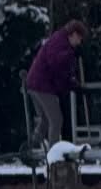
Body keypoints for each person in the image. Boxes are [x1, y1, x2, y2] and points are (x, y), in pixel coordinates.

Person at [25, 19, 86, 148]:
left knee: (45, 120)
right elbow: (58, 66)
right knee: (56, 120)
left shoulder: (60, 40)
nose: (80, 42)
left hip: (34, 83)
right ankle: (54, 155)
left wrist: (71, 83)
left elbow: (61, 69)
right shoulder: (61, 43)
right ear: (74, 34)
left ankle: (31, 146)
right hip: (42, 86)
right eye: (80, 38)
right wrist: (72, 84)